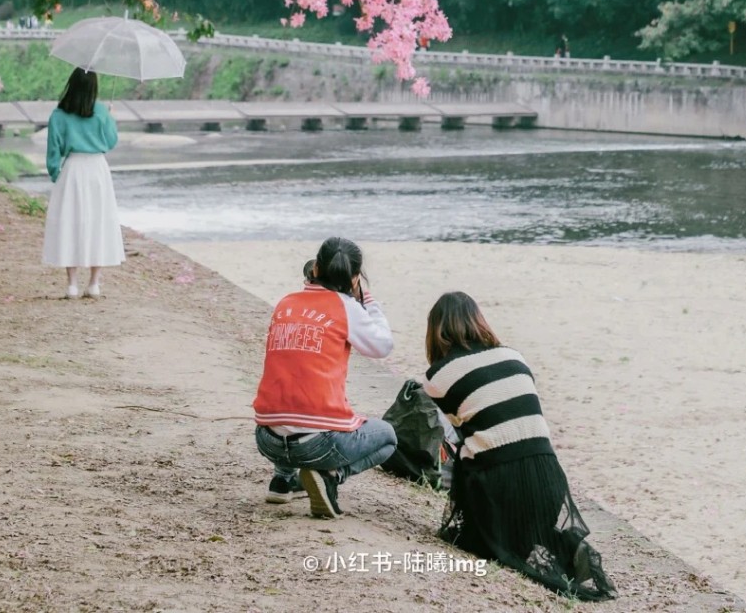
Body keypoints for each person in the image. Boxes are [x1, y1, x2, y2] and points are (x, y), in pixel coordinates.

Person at [422, 291, 616, 601]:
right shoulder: (514, 356)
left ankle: (492, 528)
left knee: (462, 453)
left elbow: (456, 434)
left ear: (436, 330)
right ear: (478, 320)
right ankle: (563, 546)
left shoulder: (437, 377)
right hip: (549, 478)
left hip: (499, 481)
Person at [253, 236, 396, 518]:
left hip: (267, 438)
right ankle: (332, 475)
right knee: (388, 436)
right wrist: (368, 300)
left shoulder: (286, 304)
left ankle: (283, 480)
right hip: (316, 445)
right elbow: (382, 346)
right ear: (355, 278)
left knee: (291, 387)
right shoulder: (347, 307)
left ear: (315, 269)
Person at [41, 68, 125, 300]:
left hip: (73, 169)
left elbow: (53, 150)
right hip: (97, 169)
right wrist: (109, 117)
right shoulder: (100, 111)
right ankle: (94, 283)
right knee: (98, 221)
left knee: (72, 221)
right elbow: (111, 141)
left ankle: (71, 285)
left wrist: (56, 173)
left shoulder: (59, 114)